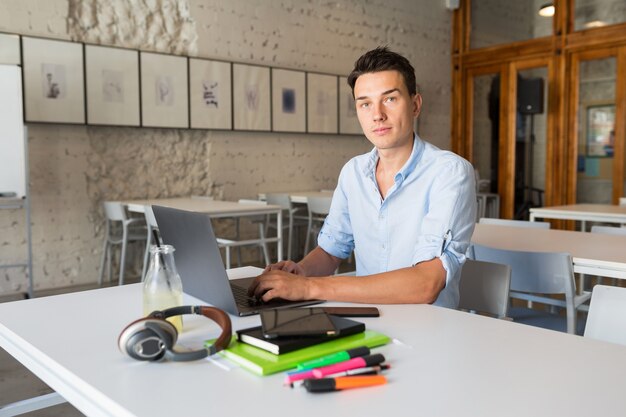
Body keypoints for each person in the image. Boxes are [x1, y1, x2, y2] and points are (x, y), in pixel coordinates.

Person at [248, 46, 476, 308]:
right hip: (366, 320)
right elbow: (331, 252)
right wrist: (300, 271)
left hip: (428, 329)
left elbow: (427, 284)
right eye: (365, 103)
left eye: (390, 99)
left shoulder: (449, 173)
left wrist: (308, 287)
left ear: (415, 105)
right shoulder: (353, 172)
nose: (377, 114)